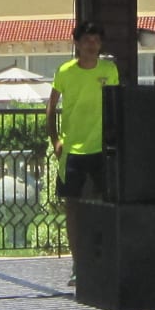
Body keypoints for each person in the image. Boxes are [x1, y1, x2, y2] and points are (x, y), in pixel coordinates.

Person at [48, 20, 121, 281]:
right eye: (87, 40)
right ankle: (78, 265)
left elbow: (116, 103)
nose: (92, 45)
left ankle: (102, 260)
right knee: (73, 209)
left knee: (105, 206)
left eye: (97, 40)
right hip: (72, 151)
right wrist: (55, 140)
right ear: (77, 44)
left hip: (101, 149)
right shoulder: (65, 71)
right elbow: (51, 107)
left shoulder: (109, 69)